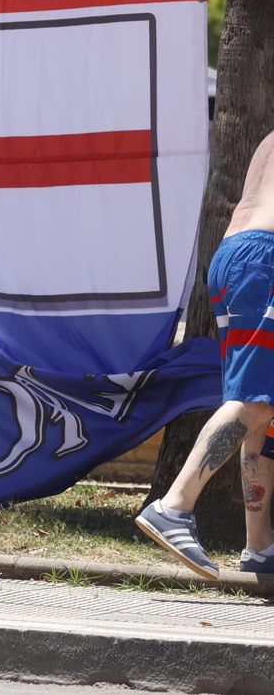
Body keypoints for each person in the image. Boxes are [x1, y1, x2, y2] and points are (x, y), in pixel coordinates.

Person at [137, 129, 274, 578]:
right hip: (264, 263)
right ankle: (174, 506)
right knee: (254, 401)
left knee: (262, 405)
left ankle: (259, 546)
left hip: (236, 258)